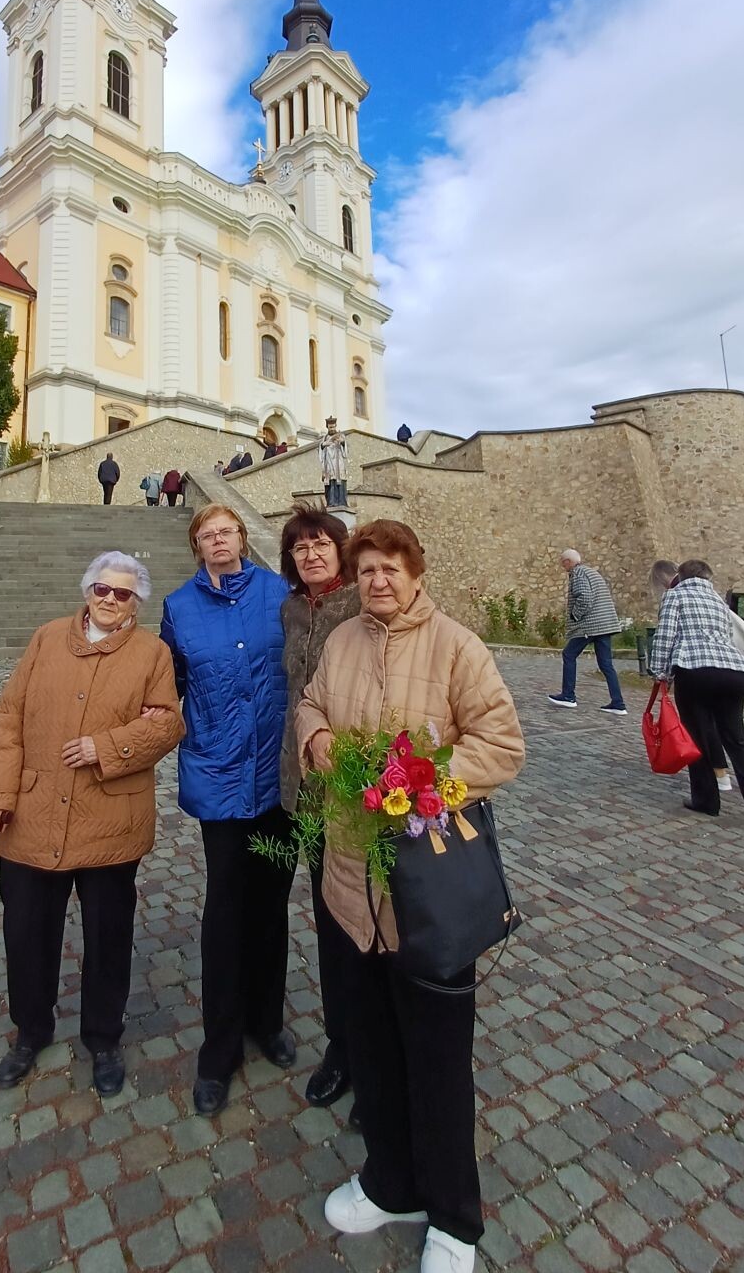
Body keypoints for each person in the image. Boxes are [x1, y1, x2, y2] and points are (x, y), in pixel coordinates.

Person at [296, 520, 525, 1272]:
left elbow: (502, 743)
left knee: (437, 1060)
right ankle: (390, 1181)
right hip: (350, 881)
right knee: (374, 1045)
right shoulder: (342, 642)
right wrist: (320, 744)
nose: (378, 580)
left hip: (427, 890)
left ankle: (455, 1217)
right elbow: (312, 706)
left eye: (391, 568)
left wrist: (420, 778)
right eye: (366, 569)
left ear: (417, 574)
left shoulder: (457, 645)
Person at [0, 551, 185, 1095]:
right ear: (87, 590)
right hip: (34, 814)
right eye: (102, 589)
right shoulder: (47, 638)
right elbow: (8, 717)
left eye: (122, 594)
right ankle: (31, 1029)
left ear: (135, 602)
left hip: (110, 821)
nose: (109, 600)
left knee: (108, 935)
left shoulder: (151, 652)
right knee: (26, 931)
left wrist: (107, 745)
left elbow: (168, 724)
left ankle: (103, 1036)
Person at [159, 504, 296, 1115]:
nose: (218, 541)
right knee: (225, 911)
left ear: (242, 537)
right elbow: (165, 684)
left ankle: (267, 1021)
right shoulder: (179, 607)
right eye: (206, 535)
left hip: (280, 775)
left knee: (272, 904)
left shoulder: (279, 593)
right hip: (219, 776)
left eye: (227, 532)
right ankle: (220, 1049)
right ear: (197, 545)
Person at [278, 504, 362, 1109]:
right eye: (299, 548)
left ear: (340, 550)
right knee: (331, 924)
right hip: (307, 788)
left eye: (320, 544)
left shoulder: (363, 605)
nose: (310, 554)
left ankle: (376, 1051)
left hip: (362, 792)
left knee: (374, 926)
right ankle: (343, 1044)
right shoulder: (289, 610)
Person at [648, 560, 744, 824]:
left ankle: (707, 800)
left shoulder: (675, 596)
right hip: (734, 671)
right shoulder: (718, 600)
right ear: (708, 577)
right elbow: (729, 636)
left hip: (695, 669)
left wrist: (660, 672)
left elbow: (665, 635)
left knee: (699, 737)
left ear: (681, 576)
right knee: (737, 740)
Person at [548, 549, 627, 713]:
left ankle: (568, 696)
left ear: (568, 562)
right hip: (605, 626)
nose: (563, 566)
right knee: (606, 664)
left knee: (568, 654)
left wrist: (575, 615)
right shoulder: (592, 572)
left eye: (563, 562)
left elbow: (584, 597)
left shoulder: (577, 573)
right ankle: (618, 703)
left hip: (590, 626)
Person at [319, 417, 349, 508]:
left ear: (335, 426)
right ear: (327, 427)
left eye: (333, 427)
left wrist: (343, 443)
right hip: (328, 464)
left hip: (338, 464)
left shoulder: (341, 436)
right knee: (330, 483)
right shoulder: (324, 438)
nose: (332, 429)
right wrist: (323, 445)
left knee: (340, 482)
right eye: (330, 427)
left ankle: (341, 502)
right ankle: (331, 502)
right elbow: (320, 450)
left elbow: (345, 451)